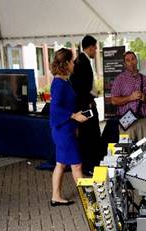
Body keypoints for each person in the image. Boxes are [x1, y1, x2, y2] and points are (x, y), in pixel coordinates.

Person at [49, 48, 88, 206]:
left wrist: (74, 119)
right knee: (77, 165)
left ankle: (55, 196)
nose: (74, 64)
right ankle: (89, 199)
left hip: (63, 129)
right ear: (66, 63)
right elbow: (55, 108)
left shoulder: (62, 81)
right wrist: (73, 116)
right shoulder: (59, 83)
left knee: (60, 163)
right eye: (72, 61)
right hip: (63, 131)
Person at [70, 35, 102, 175]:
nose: (96, 51)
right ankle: (89, 165)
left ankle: (89, 164)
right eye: (95, 48)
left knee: (90, 134)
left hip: (85, 103)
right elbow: (80, 87)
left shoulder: (82, 60)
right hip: (85, 104)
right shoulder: (83, 62)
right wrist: (88, 101)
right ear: (89, 48)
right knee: (89, 134)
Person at [111, 51, 146, 141]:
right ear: (124, 64)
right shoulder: (119, 80)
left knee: (144, 150)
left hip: (142, 121)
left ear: (136, 60)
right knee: (126, 150)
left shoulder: (145, 79)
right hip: (127, 122)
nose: (131, 62)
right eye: (128, 60)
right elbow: (114, 101)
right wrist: (130, 98)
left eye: (133, 59)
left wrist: (144, 98)